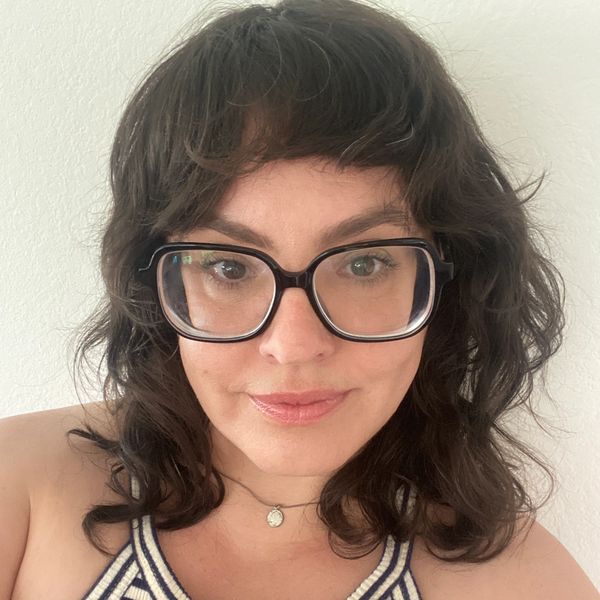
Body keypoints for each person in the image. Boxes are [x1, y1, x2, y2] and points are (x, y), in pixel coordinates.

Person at [1, 0, 598, 598]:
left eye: (364, 264)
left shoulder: (523, 583)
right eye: (229, 267)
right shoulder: (21, 486)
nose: (292, 346)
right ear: (154, 285)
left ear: (447, 282)